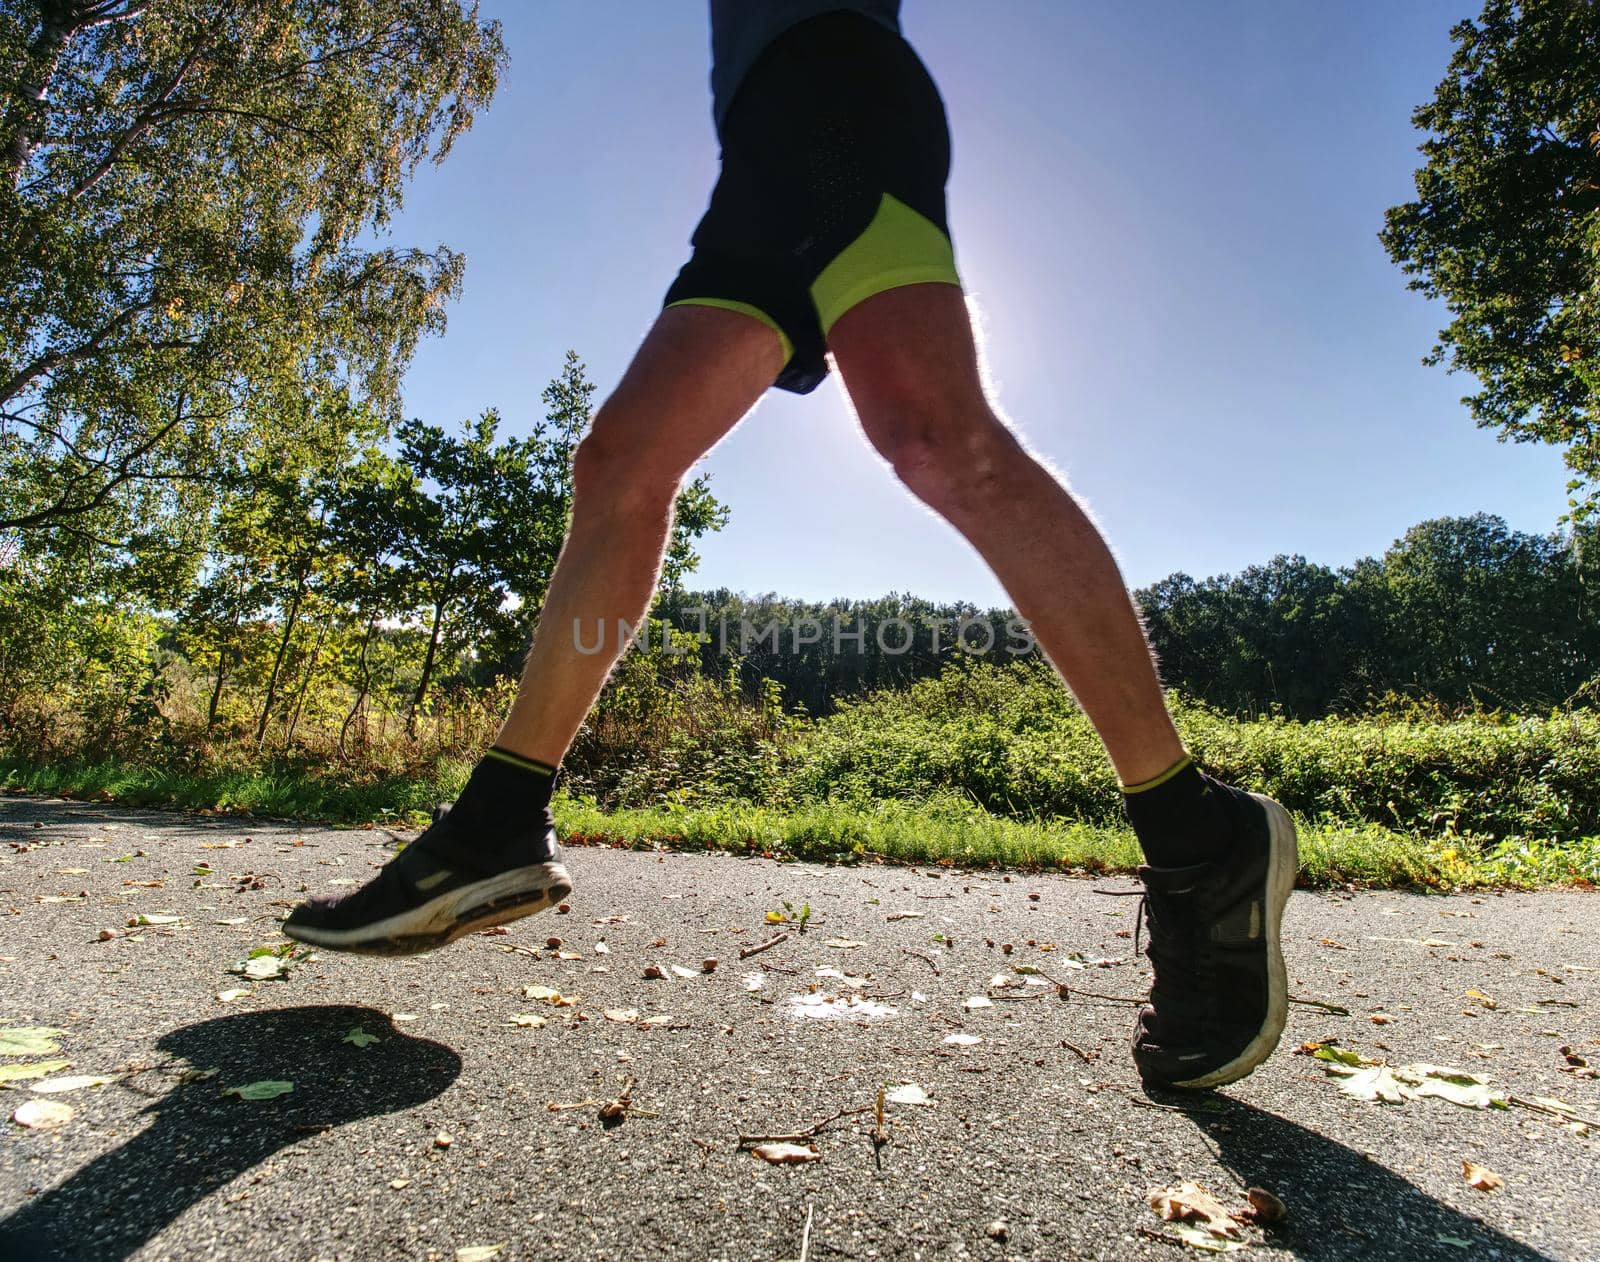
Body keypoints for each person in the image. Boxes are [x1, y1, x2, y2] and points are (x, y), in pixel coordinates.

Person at [285, 1, 1298, 1092]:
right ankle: (496, 819)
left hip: (835, 88)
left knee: (937, 437)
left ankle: (1197, 833)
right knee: (621, 464)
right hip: (769, 137)